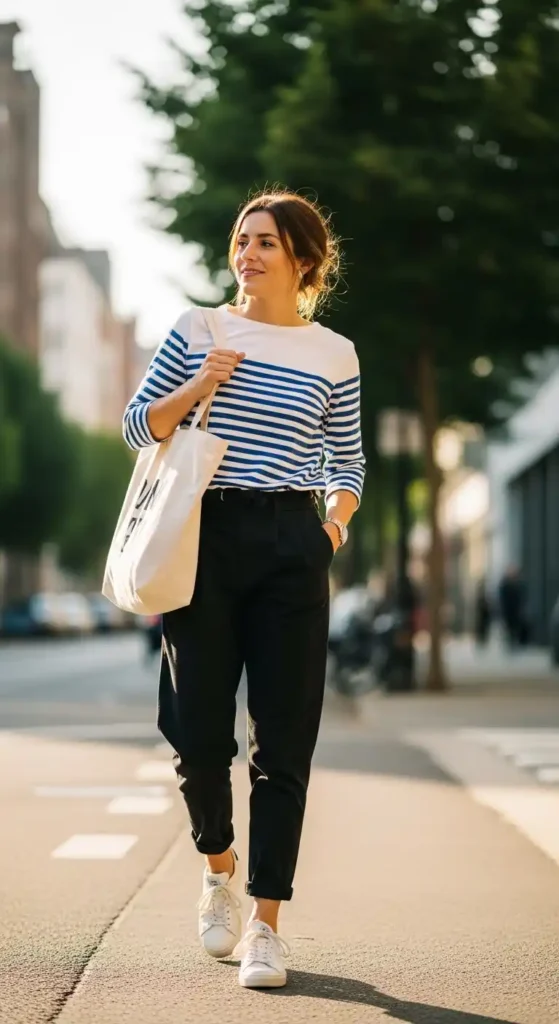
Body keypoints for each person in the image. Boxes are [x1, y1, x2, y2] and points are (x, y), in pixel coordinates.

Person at [122, 190, 365, 989]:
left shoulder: (335, 352)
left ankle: (264, 925)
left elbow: (347, 459)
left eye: (265, 242)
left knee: (283, 741)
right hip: (207, 537)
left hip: (292, 546)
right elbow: (137, 426)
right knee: (194, 734)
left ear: (303, 259)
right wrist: (198, 386)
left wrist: (329, 527)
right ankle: (217, 864)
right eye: (241, 240)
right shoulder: (198, 330)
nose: (247, 253)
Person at [498, 565, 528, 649]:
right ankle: (510, 642)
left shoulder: (518, 584)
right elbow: (502, 600)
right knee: (509, 627)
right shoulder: (504, 585)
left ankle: (514, 642)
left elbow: (522, 597)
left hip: (516, 611)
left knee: (515, 627)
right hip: (508, 611)